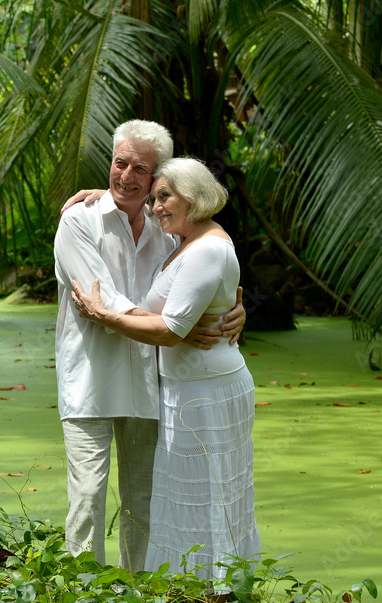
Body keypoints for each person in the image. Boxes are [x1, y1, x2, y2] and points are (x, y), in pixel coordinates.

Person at [54, 120, 244, 570]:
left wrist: (229, 310)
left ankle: (139, 600)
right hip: (92, 379)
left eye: (141, 168)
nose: (127, 176)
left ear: (157, 176)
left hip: (152, 382)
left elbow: (206, 274)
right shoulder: (78, 222)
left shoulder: (169, 226)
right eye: (120, 163)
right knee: (87, 496)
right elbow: (103, 299)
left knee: (145, 499)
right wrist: (174, 326)